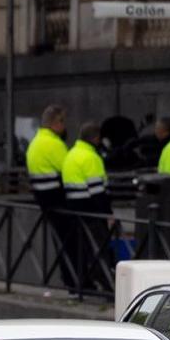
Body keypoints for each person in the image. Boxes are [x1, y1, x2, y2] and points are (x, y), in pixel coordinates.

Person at [26, 105, 74, 289]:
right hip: (60, 201)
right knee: (71, 244)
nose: (65, 126)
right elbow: (68, 169)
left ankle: (70, 281)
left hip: (44, 201)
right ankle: (75, 283)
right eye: (63, 122)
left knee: (61, 244)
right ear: (56, 123)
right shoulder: (54, 144)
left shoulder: (35, 143)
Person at [62, 122, 110, 293]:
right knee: (100, 251)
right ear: (96, 138)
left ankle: (81, 285)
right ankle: (108, 287)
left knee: (83, 251)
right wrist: (108, 214)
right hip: (92, 213)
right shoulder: (91, 158)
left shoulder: (71, 154)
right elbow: (98, 192)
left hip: (74, 211)